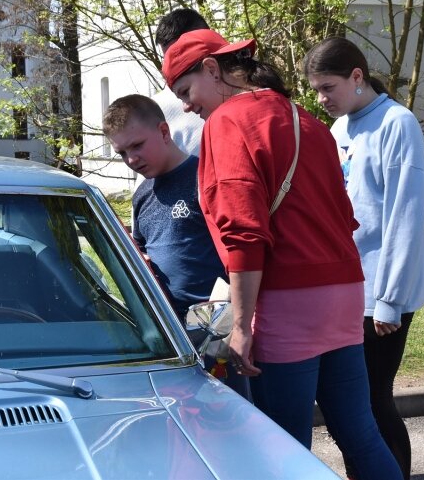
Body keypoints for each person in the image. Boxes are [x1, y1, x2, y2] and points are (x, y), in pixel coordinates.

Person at [161, 29, 403, 480]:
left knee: (284, 446)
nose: (187, 106)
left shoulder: (227, 122)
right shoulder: (304, 119)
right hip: (345, 291)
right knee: (358, 430)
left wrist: (243, 324)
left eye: (186, 92)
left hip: (288, 300)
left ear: (212, 69)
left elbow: (243, 232)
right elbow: (342, 214)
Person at [303, 36, 424, 480]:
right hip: (345, 288)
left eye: (328, 87)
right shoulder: (340, 129)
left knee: (374, 398)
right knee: (347, 404)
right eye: (316, 90)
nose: (321, 99)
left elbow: (405, 217)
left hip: (381, 294)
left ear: (357, 77)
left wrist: (390, 299)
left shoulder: (398, 124)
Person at [101, 93, 250, 399]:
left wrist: (243, 322)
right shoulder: (142, 195)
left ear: (164, 132)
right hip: (170, 334)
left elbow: (240, 252)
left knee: (231, 416)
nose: (131, 160)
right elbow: (143, 254)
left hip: (219, 331)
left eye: (137, 145)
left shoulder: (206, 179)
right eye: (122, 153)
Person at [152, 8, 210, 156]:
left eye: (182, 55)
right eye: (168, 59)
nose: (187, 106)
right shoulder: (157, 108)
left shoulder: (255, 93)